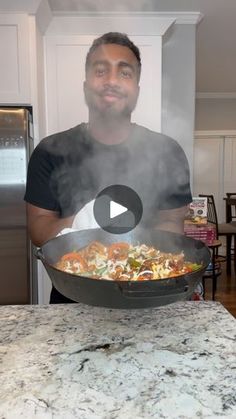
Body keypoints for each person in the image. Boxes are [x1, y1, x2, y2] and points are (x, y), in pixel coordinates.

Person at [24, 32, 192, 303]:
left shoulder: (167, 152)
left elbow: (172, 222)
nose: (112, 80)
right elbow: (38, 231)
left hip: (148, 298)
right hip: (73, 302)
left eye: (124, 73)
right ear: (85, 85)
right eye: (100, 70)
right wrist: (88, 219)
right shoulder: (49, 151)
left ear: (136, 89)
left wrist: (138, 259)